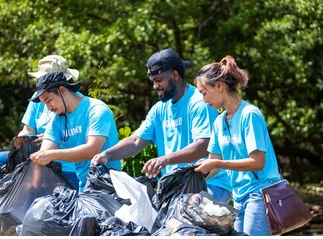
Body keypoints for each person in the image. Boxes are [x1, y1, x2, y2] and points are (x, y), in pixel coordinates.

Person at [91, 48, 232, 204]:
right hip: (177, 187)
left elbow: (203, 145)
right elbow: (136, 141)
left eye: (158, 80)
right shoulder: (159, 109)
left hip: (209, 185)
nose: (155, 86)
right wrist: (106, 155)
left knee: (185, 222)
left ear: (175, 75)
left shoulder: (199, 103)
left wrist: (165, 160)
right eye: (153, 81)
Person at [193, 55, 282, 236]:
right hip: (239, 198)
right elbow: (213, 163)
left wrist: (217, 164)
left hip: (260, 195)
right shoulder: (219, 122)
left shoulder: (250, 115)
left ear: (219, 86)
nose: (203, 99)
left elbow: (257, 162)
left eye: (203, 92)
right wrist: (190, 178)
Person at [0, 55, 80, 189]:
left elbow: (75, 135)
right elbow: (28, 129)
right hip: (38, 155)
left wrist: (48, 138)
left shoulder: (73, 102)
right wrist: (22, 142)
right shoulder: (39, 99)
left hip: (64, 162)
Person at [29, 70, 122, 192]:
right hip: (85, 189)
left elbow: (91, 150)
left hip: (110, 186)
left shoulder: (96, 110)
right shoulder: (57, 120)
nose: (48, 108)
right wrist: (33, 188)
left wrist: (52, 155)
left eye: (48, 100)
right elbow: (43, 153)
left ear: (62, 90)